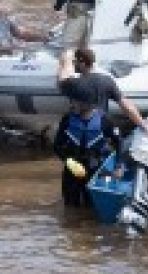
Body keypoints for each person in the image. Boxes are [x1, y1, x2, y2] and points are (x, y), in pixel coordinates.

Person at [52, 78, 121, 207]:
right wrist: (68, 161)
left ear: (87, 103)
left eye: (75, 101)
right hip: (72, 171)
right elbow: (57, 146)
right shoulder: (67, 120)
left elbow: (119, 144)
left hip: (95, 171)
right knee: (70, 208)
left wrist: (117, 168)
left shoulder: (104, 121)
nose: (72, 104)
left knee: (92, 208)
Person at [57, 48, 148, 130]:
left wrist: (67, 56)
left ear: (82, 63)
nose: (74, 64)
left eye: (75, 62)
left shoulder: (72, 83)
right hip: (98, 131)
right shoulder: (107, 81)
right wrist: (142, 124)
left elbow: (63, 73)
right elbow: (126, 106)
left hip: (77, 132)